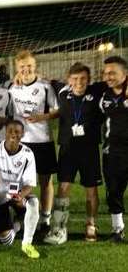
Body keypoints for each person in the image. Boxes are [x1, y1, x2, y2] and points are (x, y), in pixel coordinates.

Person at [44, 63, 104, 245]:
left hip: (89, 150)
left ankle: (91, 223)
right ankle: (59, 227)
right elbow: (45, 81)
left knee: (91, 190)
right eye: (75, 79)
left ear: (89, 79)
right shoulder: (62, 92)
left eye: (83, 79)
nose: (79, 83)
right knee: (63, 188)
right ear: (69, 80)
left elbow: (118, 80)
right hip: (67, 149)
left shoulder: (97, 92)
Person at [8, 50, 59, 235]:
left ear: (35, 66)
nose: (26, 69)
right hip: (20, 143)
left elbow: (56, 110)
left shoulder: (45, 86)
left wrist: (42, 117)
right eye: (22, 67)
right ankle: (21, 217)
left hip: (43, 140)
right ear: (17, 68)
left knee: (46, 181)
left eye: (29, 66)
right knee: (19, 183)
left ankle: (45, 219)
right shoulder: (11, 87)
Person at [0, 120, 40, 258]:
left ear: (23, 134)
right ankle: (18, 223)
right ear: (5, 133)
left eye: (17, 132)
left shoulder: (28, 154)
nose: (13, 134)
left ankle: (27, 244)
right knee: (6, 240)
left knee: (33, 203)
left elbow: (29, 184)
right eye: (10, 131)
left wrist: (21, 194)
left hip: (16, 196)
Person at [99, 56, 128, 242]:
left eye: (113, 73)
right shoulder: (103, 95)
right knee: (114, 192)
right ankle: (117, 230)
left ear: (125, 74)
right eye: (106, 73)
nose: (108, 77)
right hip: (113, 153)